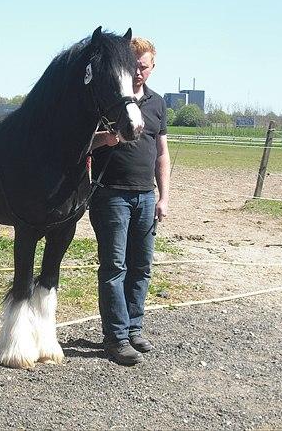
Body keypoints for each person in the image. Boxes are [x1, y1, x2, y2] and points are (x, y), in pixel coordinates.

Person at [88, 36, 171, 366]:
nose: (139, 71)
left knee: (142, 267)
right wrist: (108, 138)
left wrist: (164, 197)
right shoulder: (108, 101)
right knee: (114, 268)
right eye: (134, 65)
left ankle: (134, 328)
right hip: (111, 195)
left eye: (144, 66)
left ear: (153, 67)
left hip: (145, 197)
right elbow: (82, 143)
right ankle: (116, 337)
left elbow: (162, 154)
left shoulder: (158, 103)